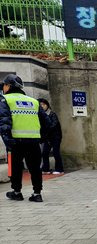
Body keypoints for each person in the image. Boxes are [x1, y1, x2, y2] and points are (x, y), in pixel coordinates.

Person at [0, 74, 47, 202]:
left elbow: (4, 123)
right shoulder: (33, 101)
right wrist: (40, 138)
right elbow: (45, 121)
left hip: (16, 141)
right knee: (35, 168)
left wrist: (8, 141)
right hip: (33, 141)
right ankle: (37, 194)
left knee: (16, 167)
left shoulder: (5, 100)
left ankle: (17, 192)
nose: (3, 87)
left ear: (8, 86)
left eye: (3, 85)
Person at [38, 98, 63, 174]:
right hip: (47, 137)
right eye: (40, 105)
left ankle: (59, 169)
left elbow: (54, 125)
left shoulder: (52, 114)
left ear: (47, 105)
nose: (42, 106)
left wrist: (45, 129)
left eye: (43, 104)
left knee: (56, 152)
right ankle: (46, 169)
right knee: (45, 153)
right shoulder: (41, 115)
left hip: (55, 136)